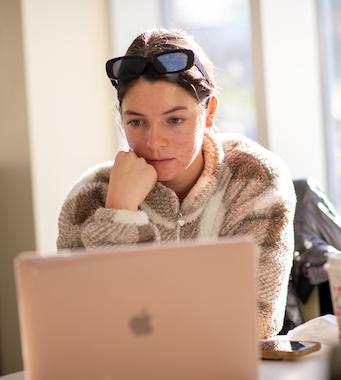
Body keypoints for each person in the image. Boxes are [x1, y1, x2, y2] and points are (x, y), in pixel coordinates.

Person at [57, 28, 296, 339]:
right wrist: (118, 214)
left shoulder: (254, 177)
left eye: (175, 120)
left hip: (224, 378)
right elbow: (82, 330)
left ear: (208, 111)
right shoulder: (90, 195)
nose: (155, 142)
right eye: (136, 122)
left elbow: (256, 322)